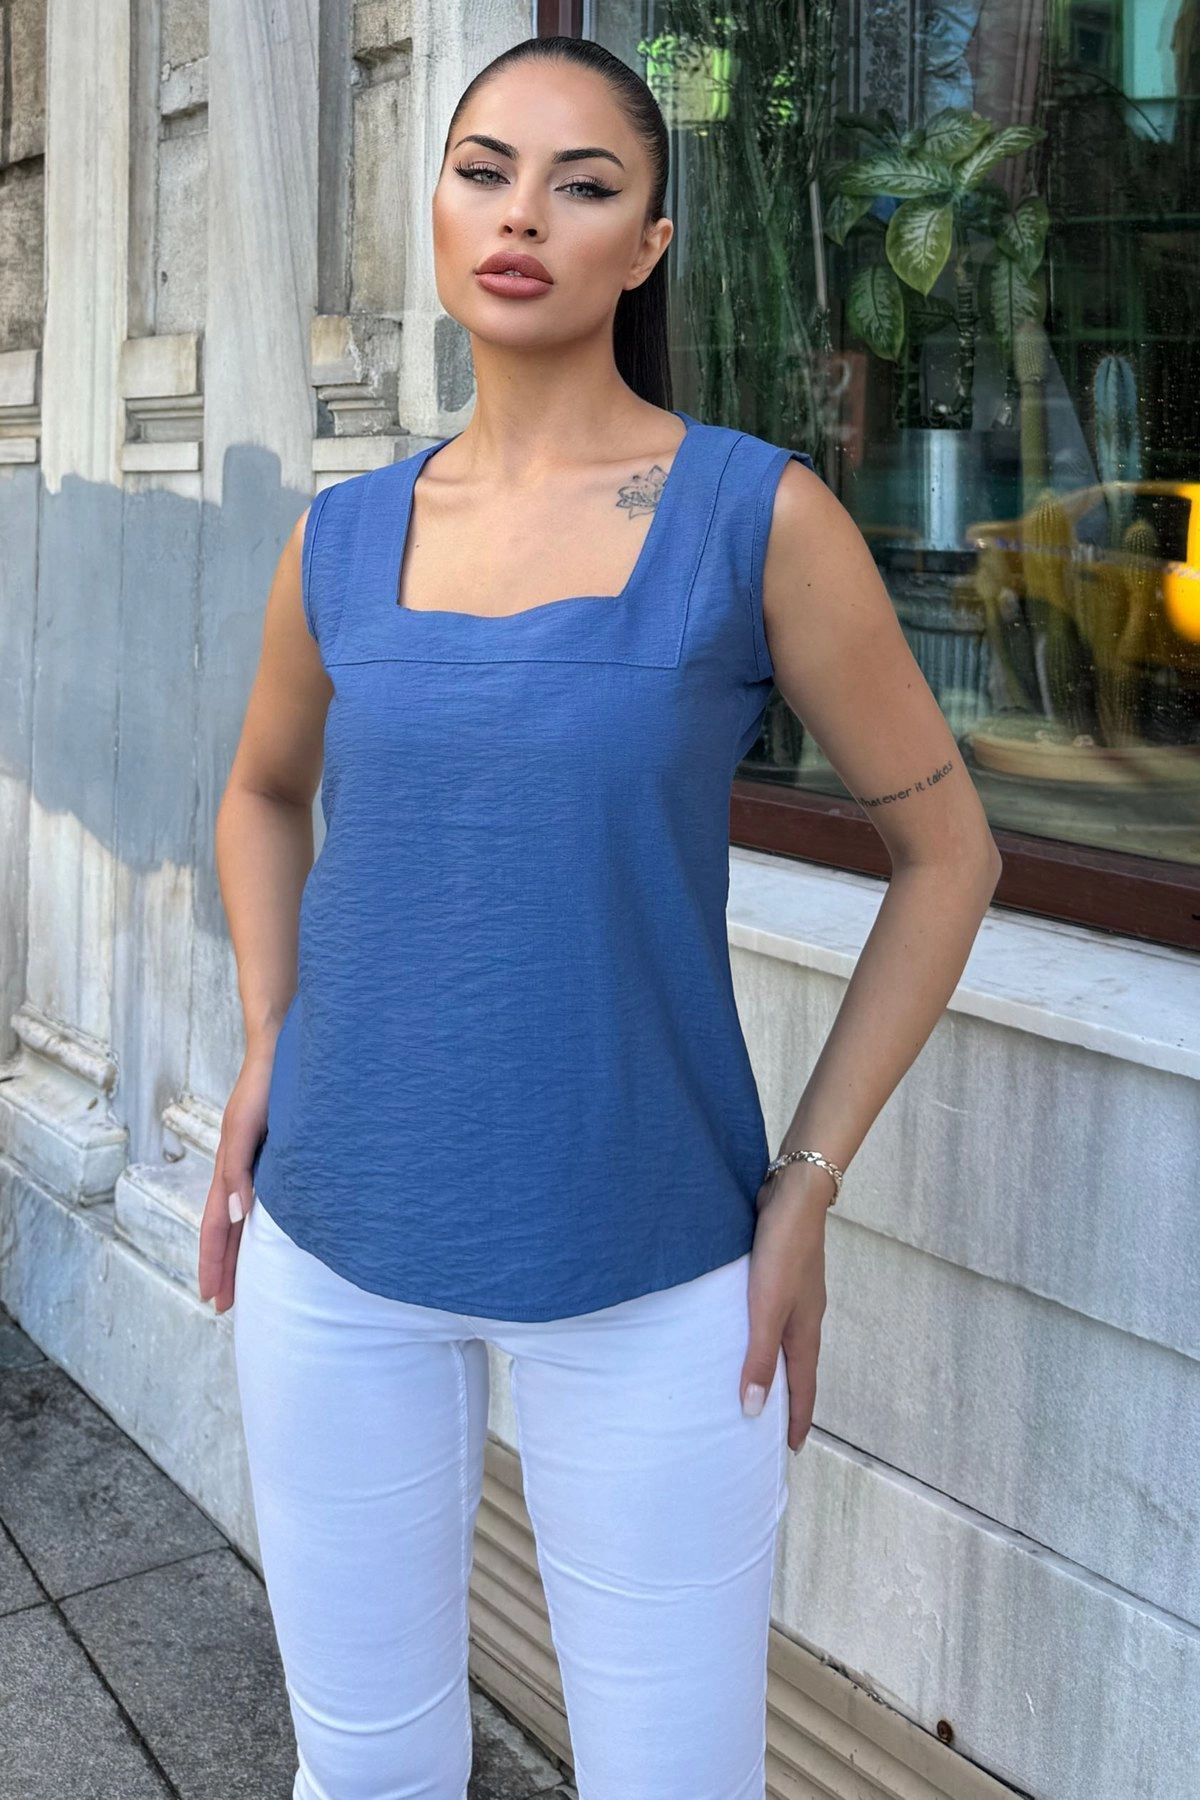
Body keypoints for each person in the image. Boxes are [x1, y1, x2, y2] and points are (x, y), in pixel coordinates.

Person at [199, 34, 1002, 1800]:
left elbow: (951, 859)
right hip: (332, 1248)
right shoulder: (342, 538)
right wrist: (270, 1034)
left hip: (654, 1260)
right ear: (436, 207)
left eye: (583, 187)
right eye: (484, 171)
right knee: (364, 1769)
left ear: (647, 244)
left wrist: (808, 1181)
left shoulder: (755, 517)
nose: (521, 217)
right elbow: (259, 793)